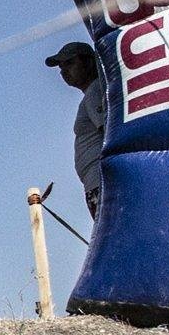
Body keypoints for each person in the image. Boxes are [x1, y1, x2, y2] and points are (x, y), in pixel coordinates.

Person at [47, 42, 105, 221]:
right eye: (61, 68)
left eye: (70, 63)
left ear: (88, 62)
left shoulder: (95, 91)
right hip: (97, 182)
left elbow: (109, 130)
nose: (64, 72)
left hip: (103, 181)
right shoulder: (92, 93)